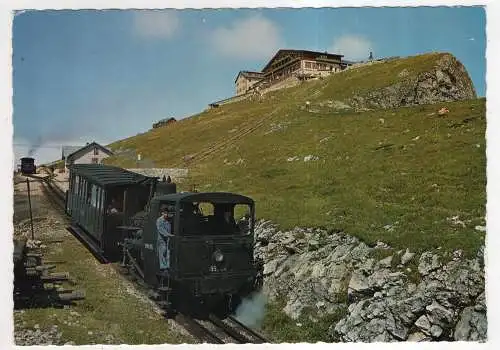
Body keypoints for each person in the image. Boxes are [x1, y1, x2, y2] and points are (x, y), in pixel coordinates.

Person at [156, 206, 172, 270]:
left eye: (167, 213)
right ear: (162, 213)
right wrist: (168, 234)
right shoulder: (159, 220)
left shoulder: (168, 221)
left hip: (167, 238)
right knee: (163, 250)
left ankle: (167, 265)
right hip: (161, 238)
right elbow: (160, 229)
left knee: (168, 251)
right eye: (165, 213)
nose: (166, 214)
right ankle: (163, 266)